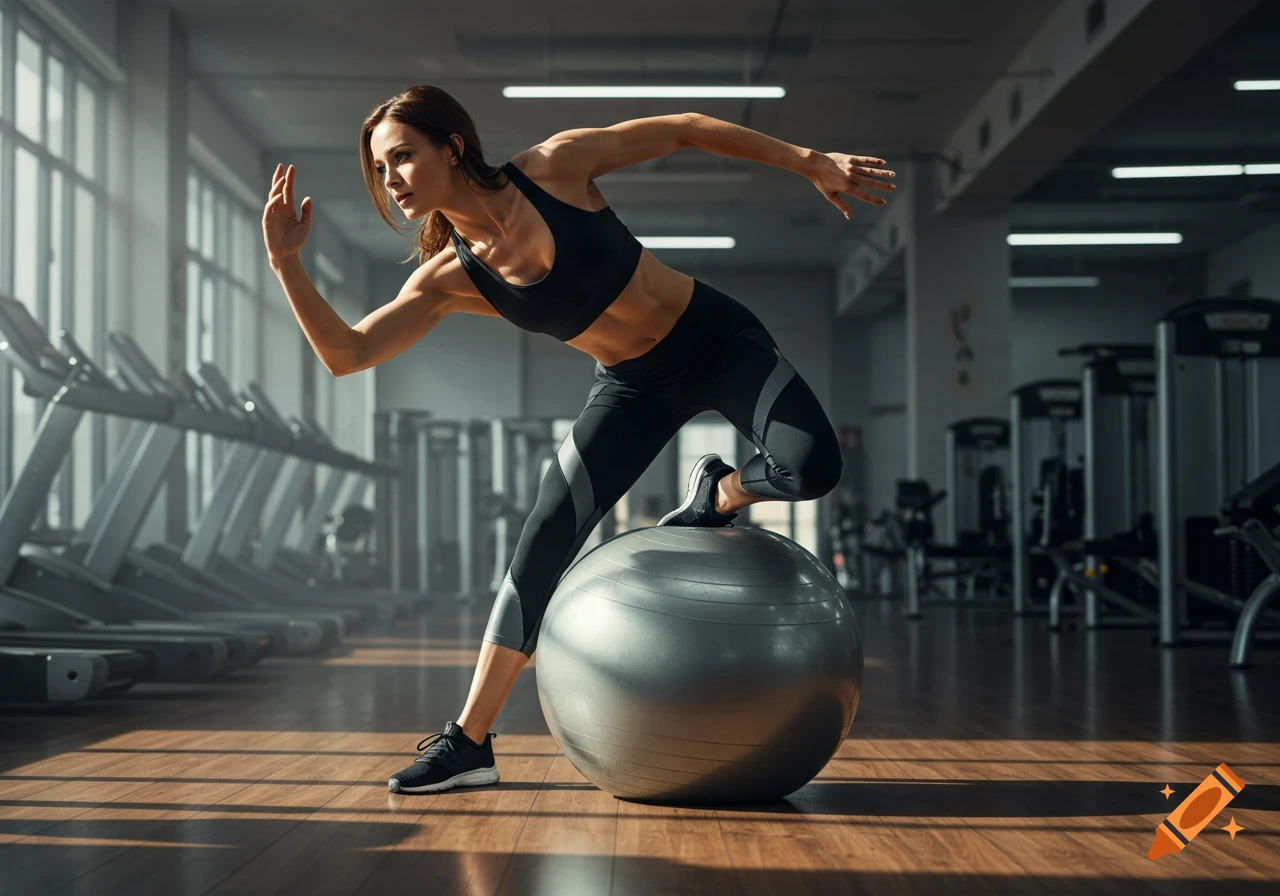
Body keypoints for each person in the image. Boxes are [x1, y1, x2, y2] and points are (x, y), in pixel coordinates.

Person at [261, 85, 895, 795]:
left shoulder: (555, 167)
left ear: (454, 147)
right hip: (632, 385)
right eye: (381, 170)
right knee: (542, 540)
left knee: (813, 467)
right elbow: (347, 354)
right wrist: (288, 263)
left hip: (717, 341)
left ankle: (719, 490)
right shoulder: (450, 277)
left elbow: (684, 128)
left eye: (403, 157)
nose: (393, 180)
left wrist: (811, 162)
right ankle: (468, 743)